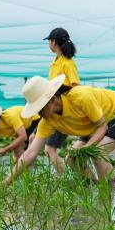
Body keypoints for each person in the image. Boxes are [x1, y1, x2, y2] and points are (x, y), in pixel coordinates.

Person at [3, 75, 115, 185]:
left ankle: (108, 193)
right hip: (94, 126)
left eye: (40, 107)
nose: (38, 113)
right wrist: (7, 181)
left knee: (97, 152)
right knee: (72, 158)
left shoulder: (80, 97)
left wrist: (86, 147)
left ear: (53, 99)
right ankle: (90, 187)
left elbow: (102, 127)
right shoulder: (48, 120)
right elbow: (30, 152)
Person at [43, 27, 80, 173]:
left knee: (49, 149)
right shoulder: (55, 62)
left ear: (54, 42)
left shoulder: (67, 63)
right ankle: (64, 177)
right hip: (53, 109)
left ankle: (64, 178)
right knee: (36, 141)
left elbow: (76, 87)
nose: (49, 44)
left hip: (64, 110)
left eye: (49, 41)